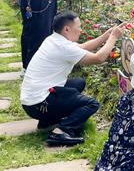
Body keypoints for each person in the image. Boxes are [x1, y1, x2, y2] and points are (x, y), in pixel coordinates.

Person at [20, 10, 126, 146]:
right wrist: (113, 38)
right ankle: (61, 132)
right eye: (79, 27)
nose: (81, 30)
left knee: (78, 83)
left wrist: (107, 34)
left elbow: (83, 47)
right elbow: (98, 58)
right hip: (39, 104)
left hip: (32, 101)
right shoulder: (63, 47)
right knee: (91, 104)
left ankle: (47, 121)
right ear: (67, 29)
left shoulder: (53, 39)